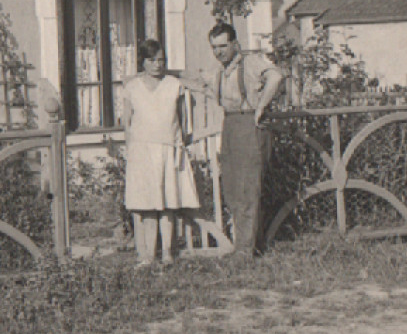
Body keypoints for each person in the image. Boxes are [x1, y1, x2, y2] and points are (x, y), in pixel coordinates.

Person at [192, 22, 284, 256]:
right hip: (231, 124)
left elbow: (276, 76)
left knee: (247, 188)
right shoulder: (221, 71)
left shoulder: (250, 62)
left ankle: (246, 250)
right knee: (232, 187)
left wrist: (262, 105)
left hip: (249, 123)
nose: (218, 51)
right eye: (214, 47)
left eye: (223, 46)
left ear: (235, 43)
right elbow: (200, 84)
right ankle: (249, 244)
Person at [120, 39, 200, 267]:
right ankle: (147, 255)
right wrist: (131, 151)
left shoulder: (174, 85)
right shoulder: (132, 88)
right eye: (151, 60)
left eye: (161, 60)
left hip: (167, 149)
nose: (157, 64)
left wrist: (180, 143)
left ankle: (167, 253)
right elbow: (127, 123)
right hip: (142, 150)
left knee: (167, 203)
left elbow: (184, 121)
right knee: (147, 205)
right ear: (142, 62)